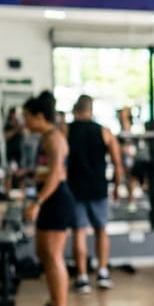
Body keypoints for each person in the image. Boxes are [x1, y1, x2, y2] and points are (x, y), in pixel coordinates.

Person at [23, 91, 79, 306]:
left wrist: (37, 202)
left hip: (57, 200)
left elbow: (56, 173)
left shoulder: (54, 138)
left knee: (54, 255)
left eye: (27, 117)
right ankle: (54, 303)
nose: (25, 123)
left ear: (39, 116)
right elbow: (48, 171)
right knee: (43, 252)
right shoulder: (46, 137)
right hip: (51, 199)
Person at [66, 95, 126, 293]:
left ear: (76, 110)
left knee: (80, 232)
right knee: (101, 230)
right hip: (98, 187)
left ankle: (83, 277)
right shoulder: (104, 132)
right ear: (90, 110)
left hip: (75, 188)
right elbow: (118, 164)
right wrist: (117, 187)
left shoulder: (66, 130)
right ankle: (102, 273)